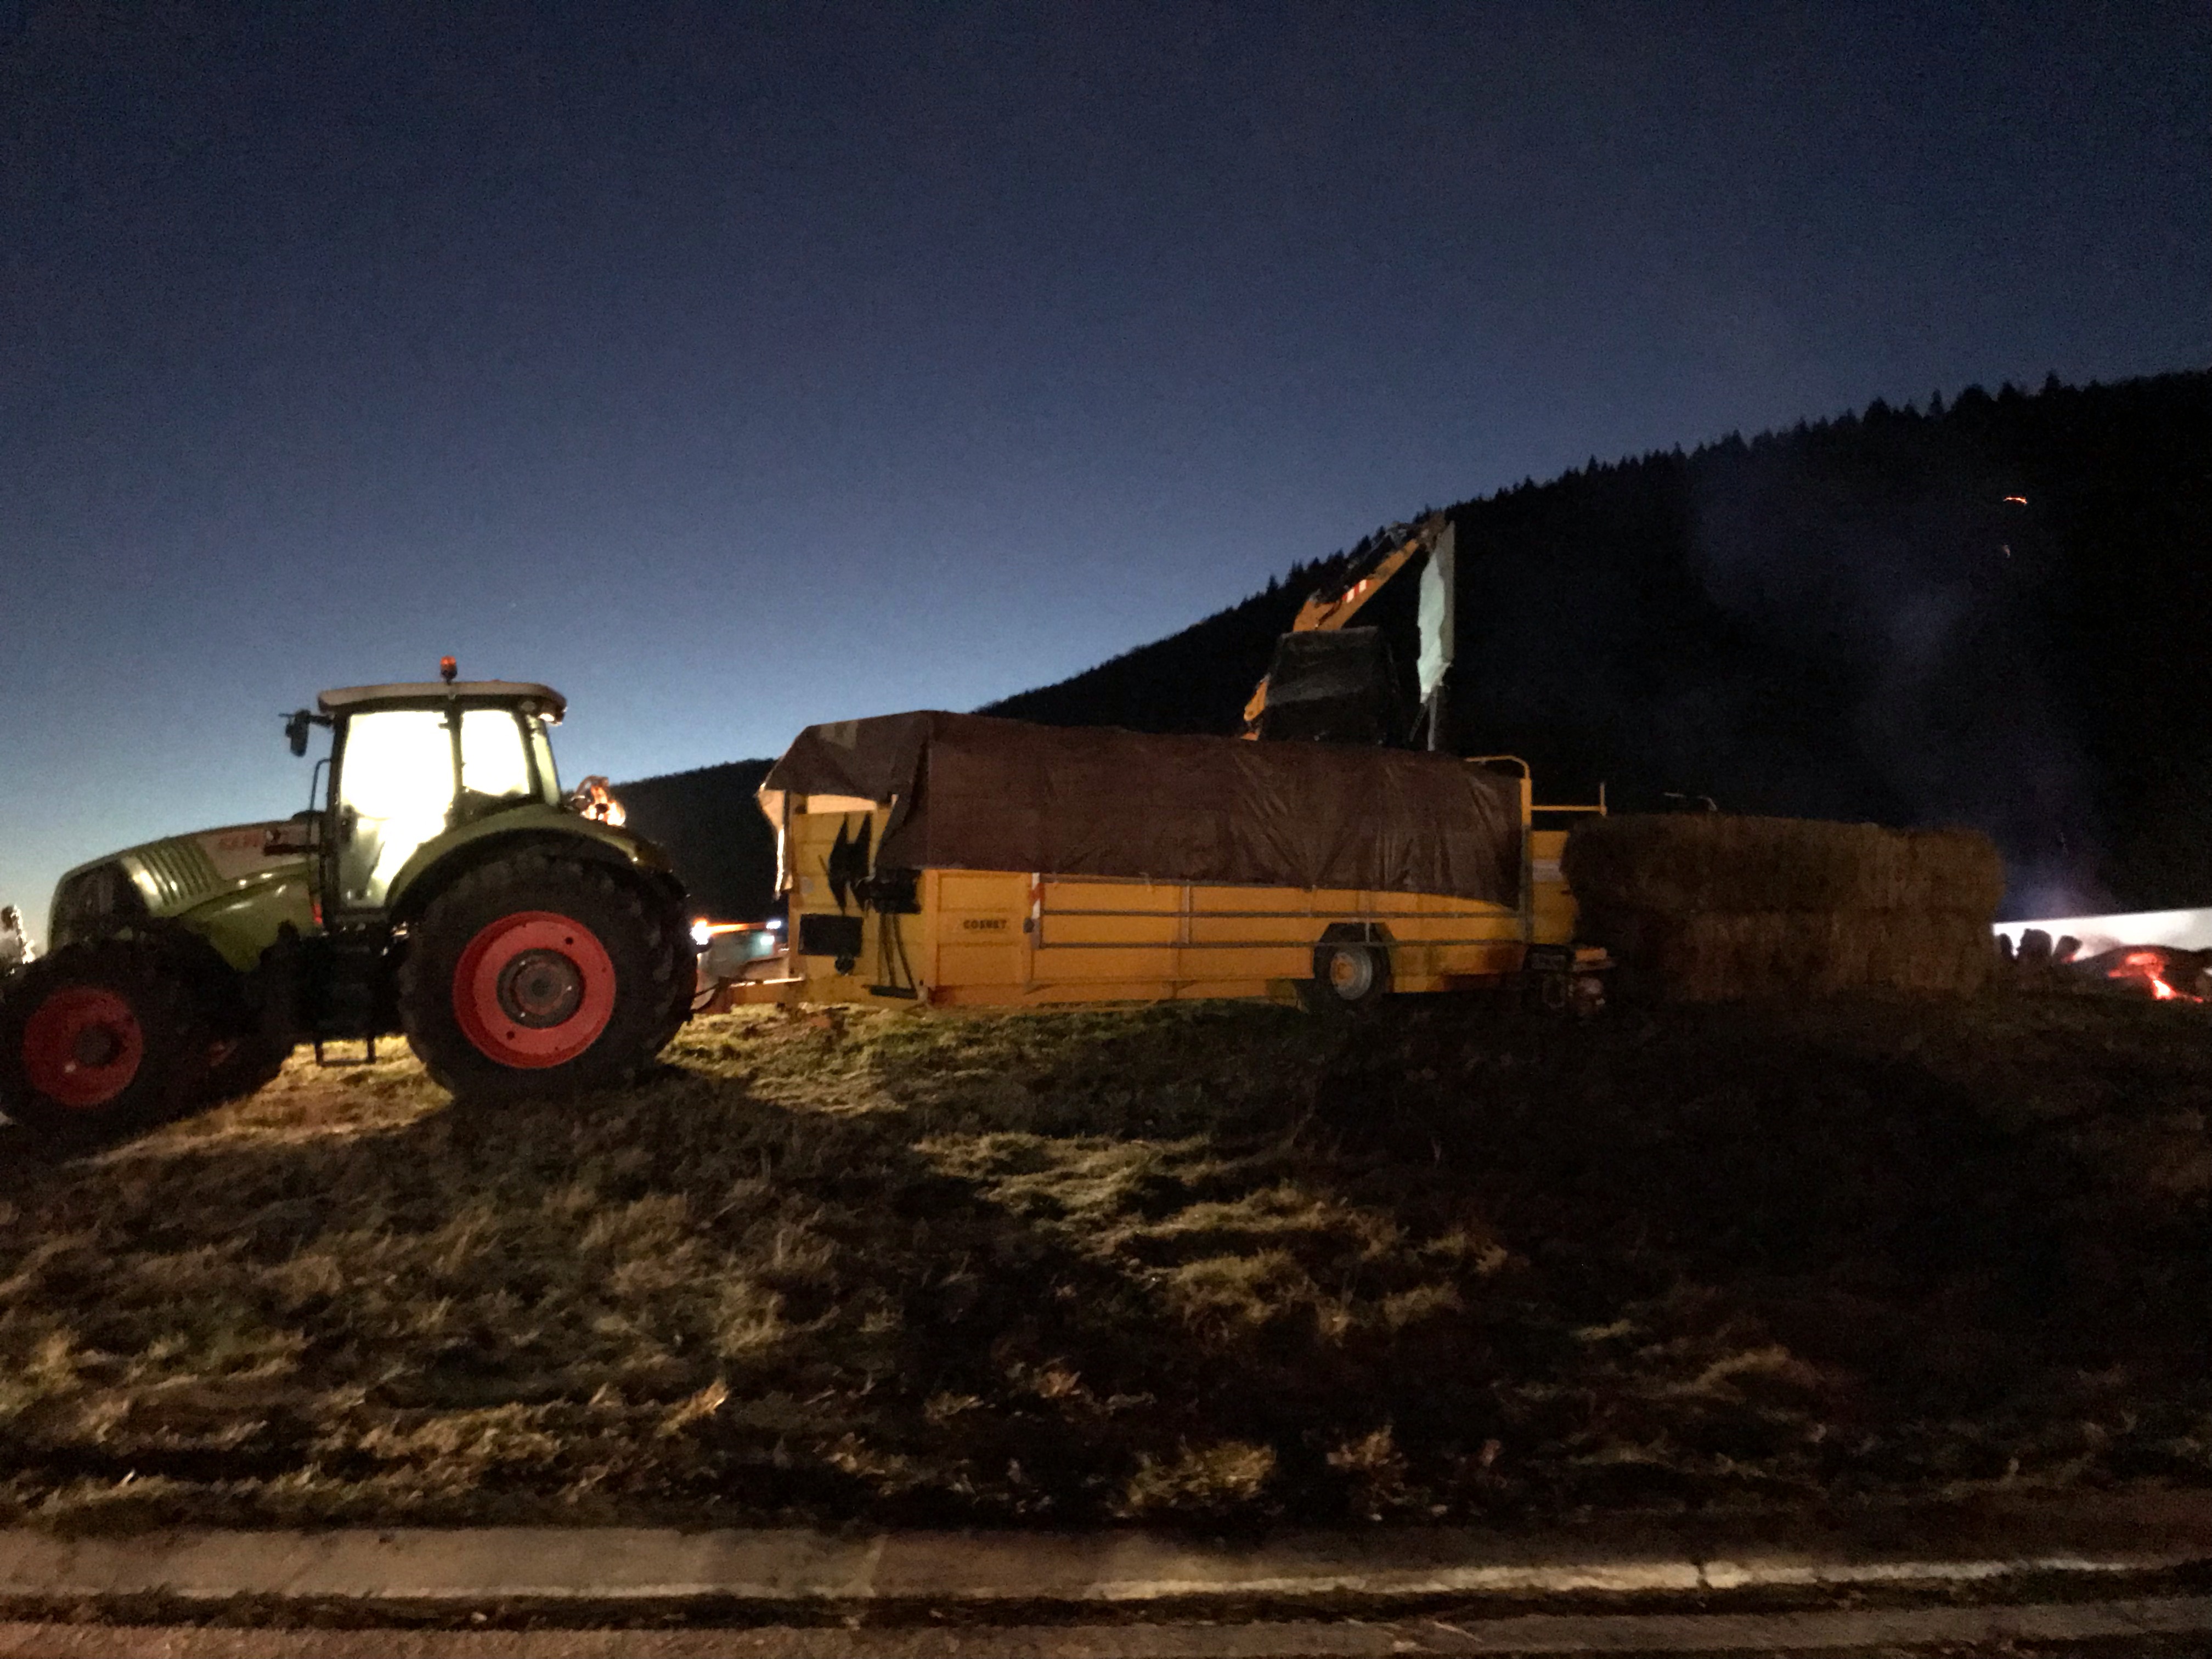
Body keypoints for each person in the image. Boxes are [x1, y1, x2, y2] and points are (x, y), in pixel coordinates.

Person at [0, 906, 27, 973]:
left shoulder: (25, 944)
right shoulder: (5, 946)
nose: (16, 922)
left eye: (17, 918)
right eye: (12, 919)